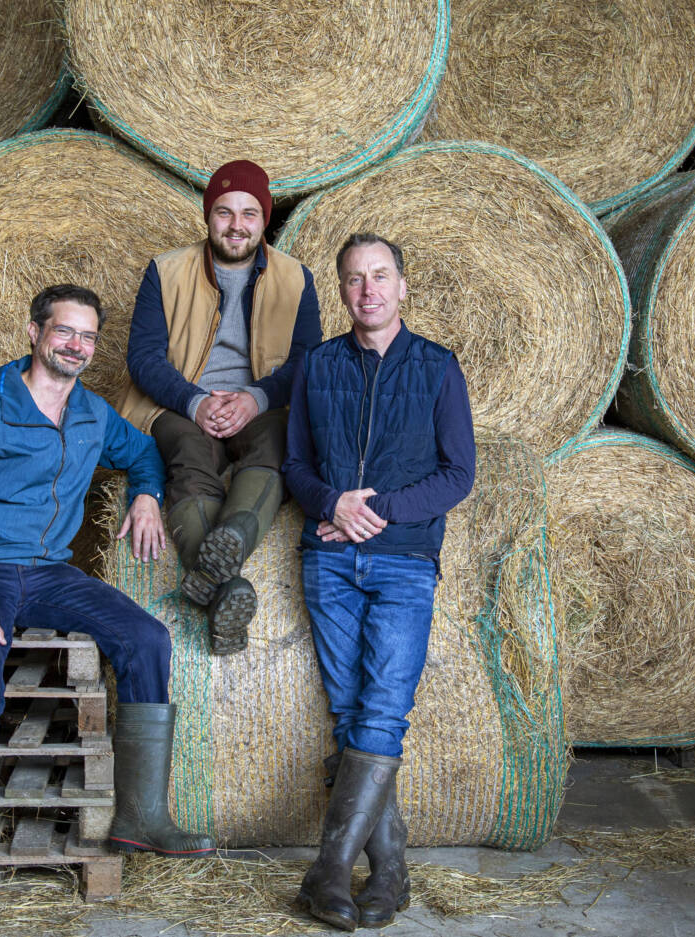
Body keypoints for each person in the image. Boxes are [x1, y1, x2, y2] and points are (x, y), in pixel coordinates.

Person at [0, 284, 215, 933]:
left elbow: (141, 452)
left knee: (148, 639)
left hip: (49, 572)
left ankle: (141, 815)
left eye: (87, 336)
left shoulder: (91, 413)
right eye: (65, 332)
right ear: (34, 332)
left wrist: (145, 495)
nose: (77, 346)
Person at [281, 234, 476, 931]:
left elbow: (459, 474)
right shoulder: (318, 365)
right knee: (350, 711)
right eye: (356, 279)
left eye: (381, 276)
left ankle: (330, 867)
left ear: (403, 287)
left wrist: (375, 511)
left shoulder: (436, 367)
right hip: (328, 558)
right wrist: (330, 503)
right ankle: (389, 870)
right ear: (342, 291)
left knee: (384, 708)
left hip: (404, 562)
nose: (369, 290)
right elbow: (295, 463)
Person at [118, 159, 322, 655]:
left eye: (249, 214)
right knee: (188, 456)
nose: (237, 225)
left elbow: (306, 360)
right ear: (208, 216)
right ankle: (226, 587)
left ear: (264, 220)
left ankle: (224, 548)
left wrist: (255, 399)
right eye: (225, 212)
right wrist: (194, 402)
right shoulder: (165, 271)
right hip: (181, 402)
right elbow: (143, 358)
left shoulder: (296, 279)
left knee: (278, 443)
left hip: (262, 405)